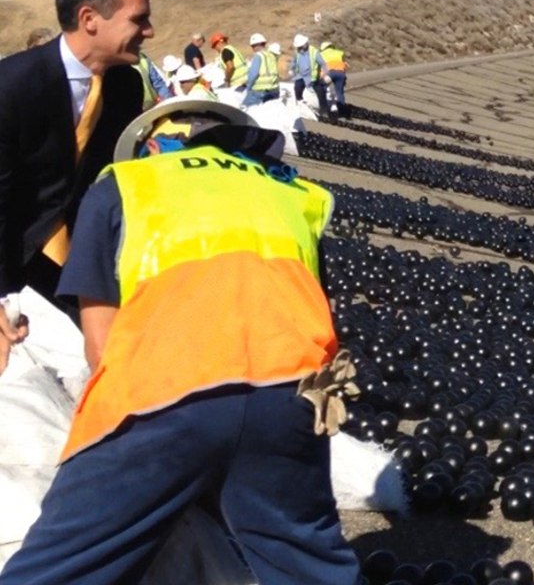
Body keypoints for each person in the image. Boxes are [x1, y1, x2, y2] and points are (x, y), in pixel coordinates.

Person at [0, 96, 362, 584]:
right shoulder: (295, 192)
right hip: (290, 392)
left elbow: (101, 340)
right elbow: (322, 310)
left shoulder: (125, 186)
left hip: (161, 393)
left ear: (150, 144)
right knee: (303, 560)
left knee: (64, 564)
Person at [0, 0, 152, 375]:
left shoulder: (124, 85)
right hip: (14, 253)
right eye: (139, 19)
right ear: (89, 19)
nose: (149, 31)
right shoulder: (12, 87)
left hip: (82, 251)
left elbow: (107, 176)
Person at [289, 34, 330, 116]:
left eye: (302, 45)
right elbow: (293, 62)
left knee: (320, 92)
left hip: (313, 77)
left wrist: (325, 73)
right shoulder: (297, 53)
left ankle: (324, 110)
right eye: (299, 46)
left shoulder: (314, 52)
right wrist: (291, 70)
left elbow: (323, 64)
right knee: (297, 87)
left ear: (306, 43)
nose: (300, 48)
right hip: (301, 76)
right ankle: (300, 102)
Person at [241, 32, 280, 106]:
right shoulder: (272, 56)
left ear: (255, 46)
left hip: (260, 91)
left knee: (245, 109)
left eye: (252, 46)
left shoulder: (258, 56)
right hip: (274, 90)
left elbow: (253, 74)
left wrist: (248, 87)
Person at [319, 40, 349, 117]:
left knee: (322, 87)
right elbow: (345, 64)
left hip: (329, 73)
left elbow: (320, 67)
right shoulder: (339, 53)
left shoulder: (321, 54)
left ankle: (325, 106)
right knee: (339, 92)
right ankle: (341, 110)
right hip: (340, 73)